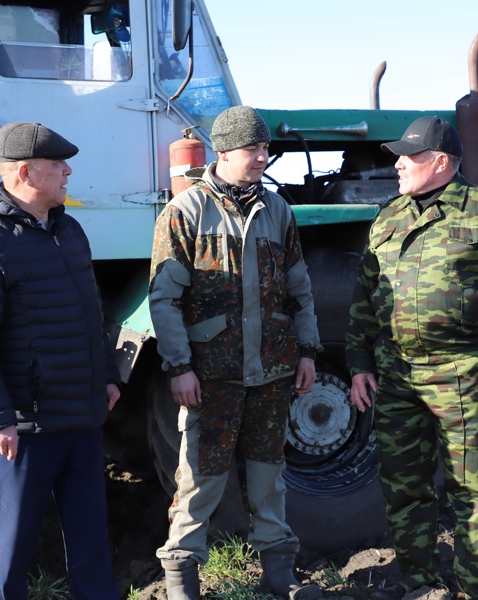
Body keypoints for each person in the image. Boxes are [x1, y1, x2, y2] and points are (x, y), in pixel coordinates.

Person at [345, 117, 478, 600]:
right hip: (396, 378)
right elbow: (365, 297)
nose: (397, 164)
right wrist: (358, 363)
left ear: (440, 163)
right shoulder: (389, 217)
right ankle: (420, 587)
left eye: (408, 157)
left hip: (465, 376)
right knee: (404, 489)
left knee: (473, 496)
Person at [149, 106, 323, 600]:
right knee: (199, 479)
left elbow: (300, 291)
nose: (263, 158)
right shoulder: (184, 213)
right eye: (254, 150)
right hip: (211, 375)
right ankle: (182, 579)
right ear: (223, 152)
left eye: (266, 150)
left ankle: (279, 573)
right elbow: (164, 299)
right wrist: (179, 366)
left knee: (270, 476)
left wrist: (307, 352)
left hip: (272, 372)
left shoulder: (278, 211)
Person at [0, 122, 121, 600]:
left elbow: (92, 312)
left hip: (82, 419)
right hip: (25, 429)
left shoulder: (69, 229)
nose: (68, 172)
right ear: (26, 172)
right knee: (12, 548)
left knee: (91, 543)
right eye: (58, 165)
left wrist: (107, 375)